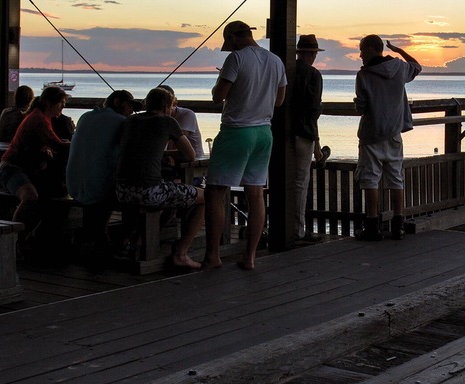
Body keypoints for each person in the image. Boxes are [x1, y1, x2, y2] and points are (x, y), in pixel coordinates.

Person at [204, 21, 287, 270]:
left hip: (237, 131)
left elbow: (218, 96)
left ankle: (212, 255)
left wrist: (222, 79)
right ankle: (249, 256)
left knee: (215, 192)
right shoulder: (275, 61)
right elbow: (279, 101)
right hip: (264, 132)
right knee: (256, 193)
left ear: (232, 39)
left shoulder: (236, 59)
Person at [116, 87, 205, 270]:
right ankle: (181, 253)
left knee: (171, 200)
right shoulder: (167, 121)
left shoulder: (131, 120)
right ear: (167, 106)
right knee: (206, 197)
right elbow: (190, 155)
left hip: (121, 191)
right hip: (149, 191)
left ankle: (138, 242)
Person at [354, 35, 421, 239]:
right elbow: (417, 66)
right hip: (393, 133)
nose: (360, 55)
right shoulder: (399, 68)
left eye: (362, 50)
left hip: (372, 133)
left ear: (373, 49)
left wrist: (358, 104)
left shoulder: (363, 75)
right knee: (395, 178)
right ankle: (398, 225)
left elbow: (362, 107)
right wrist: (399, 50)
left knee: (370, 179)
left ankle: (372, 226)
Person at [0, 86, 70, 246]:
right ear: (50, 103)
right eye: (61, 103)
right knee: (30, 197)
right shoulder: (39, 120)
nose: (63, 107)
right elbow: (57, 145)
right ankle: (13, 241)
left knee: (53, 196)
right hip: (11, 168)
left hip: (25, 170)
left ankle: (31, 238)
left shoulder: (42, 117)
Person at [67, 90, 137, 254]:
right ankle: (124, 239)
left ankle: (98, 234)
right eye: (130, 106)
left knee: (102, 180)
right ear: (118, 102)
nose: (132, 111)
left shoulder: (85, 117)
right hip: (97, 188)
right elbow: (132, 151)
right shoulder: (120, 121)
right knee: (134, 197)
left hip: (73, 184)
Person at [288, 34, 327, 241]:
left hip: (284, 132)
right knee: (300, 182)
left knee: (284, 179)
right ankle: (297, 230)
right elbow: (313, 109)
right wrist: (317, 143)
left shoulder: (288, 71)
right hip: (304, 132)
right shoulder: (313, 75)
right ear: (312, 54)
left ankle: (283, 225)